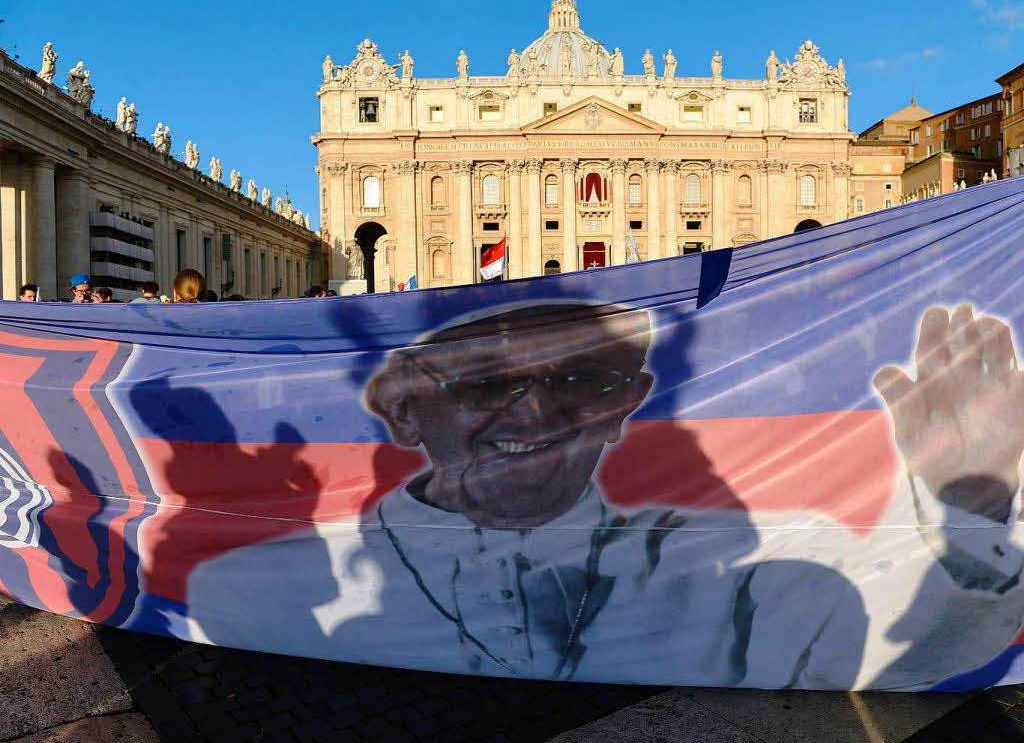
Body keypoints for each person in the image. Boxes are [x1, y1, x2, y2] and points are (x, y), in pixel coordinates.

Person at [187, 300, 1024, 689]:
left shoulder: (778, 559)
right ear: (403, 408)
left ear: (630, 404)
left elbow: (918, 654)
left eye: (586, 377)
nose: (540, 412)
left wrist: (966, 511)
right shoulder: (249, 584)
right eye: (484, 386)